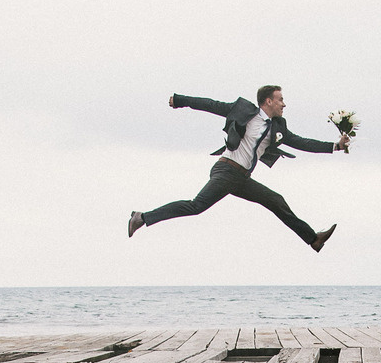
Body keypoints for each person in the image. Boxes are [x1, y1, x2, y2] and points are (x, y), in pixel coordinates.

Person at [130, 85, 348, 250]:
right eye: (280, 99)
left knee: (276, 200)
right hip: (226, 171)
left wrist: (335, 146)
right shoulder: (244, 112)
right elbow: (211, 105)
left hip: (241, 177)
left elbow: (302, 142)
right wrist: (180, 100)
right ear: (268, 101)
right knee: (195, 206)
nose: (284, 104)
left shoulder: (277, 127)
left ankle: (314, 240)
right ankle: (142, 217)